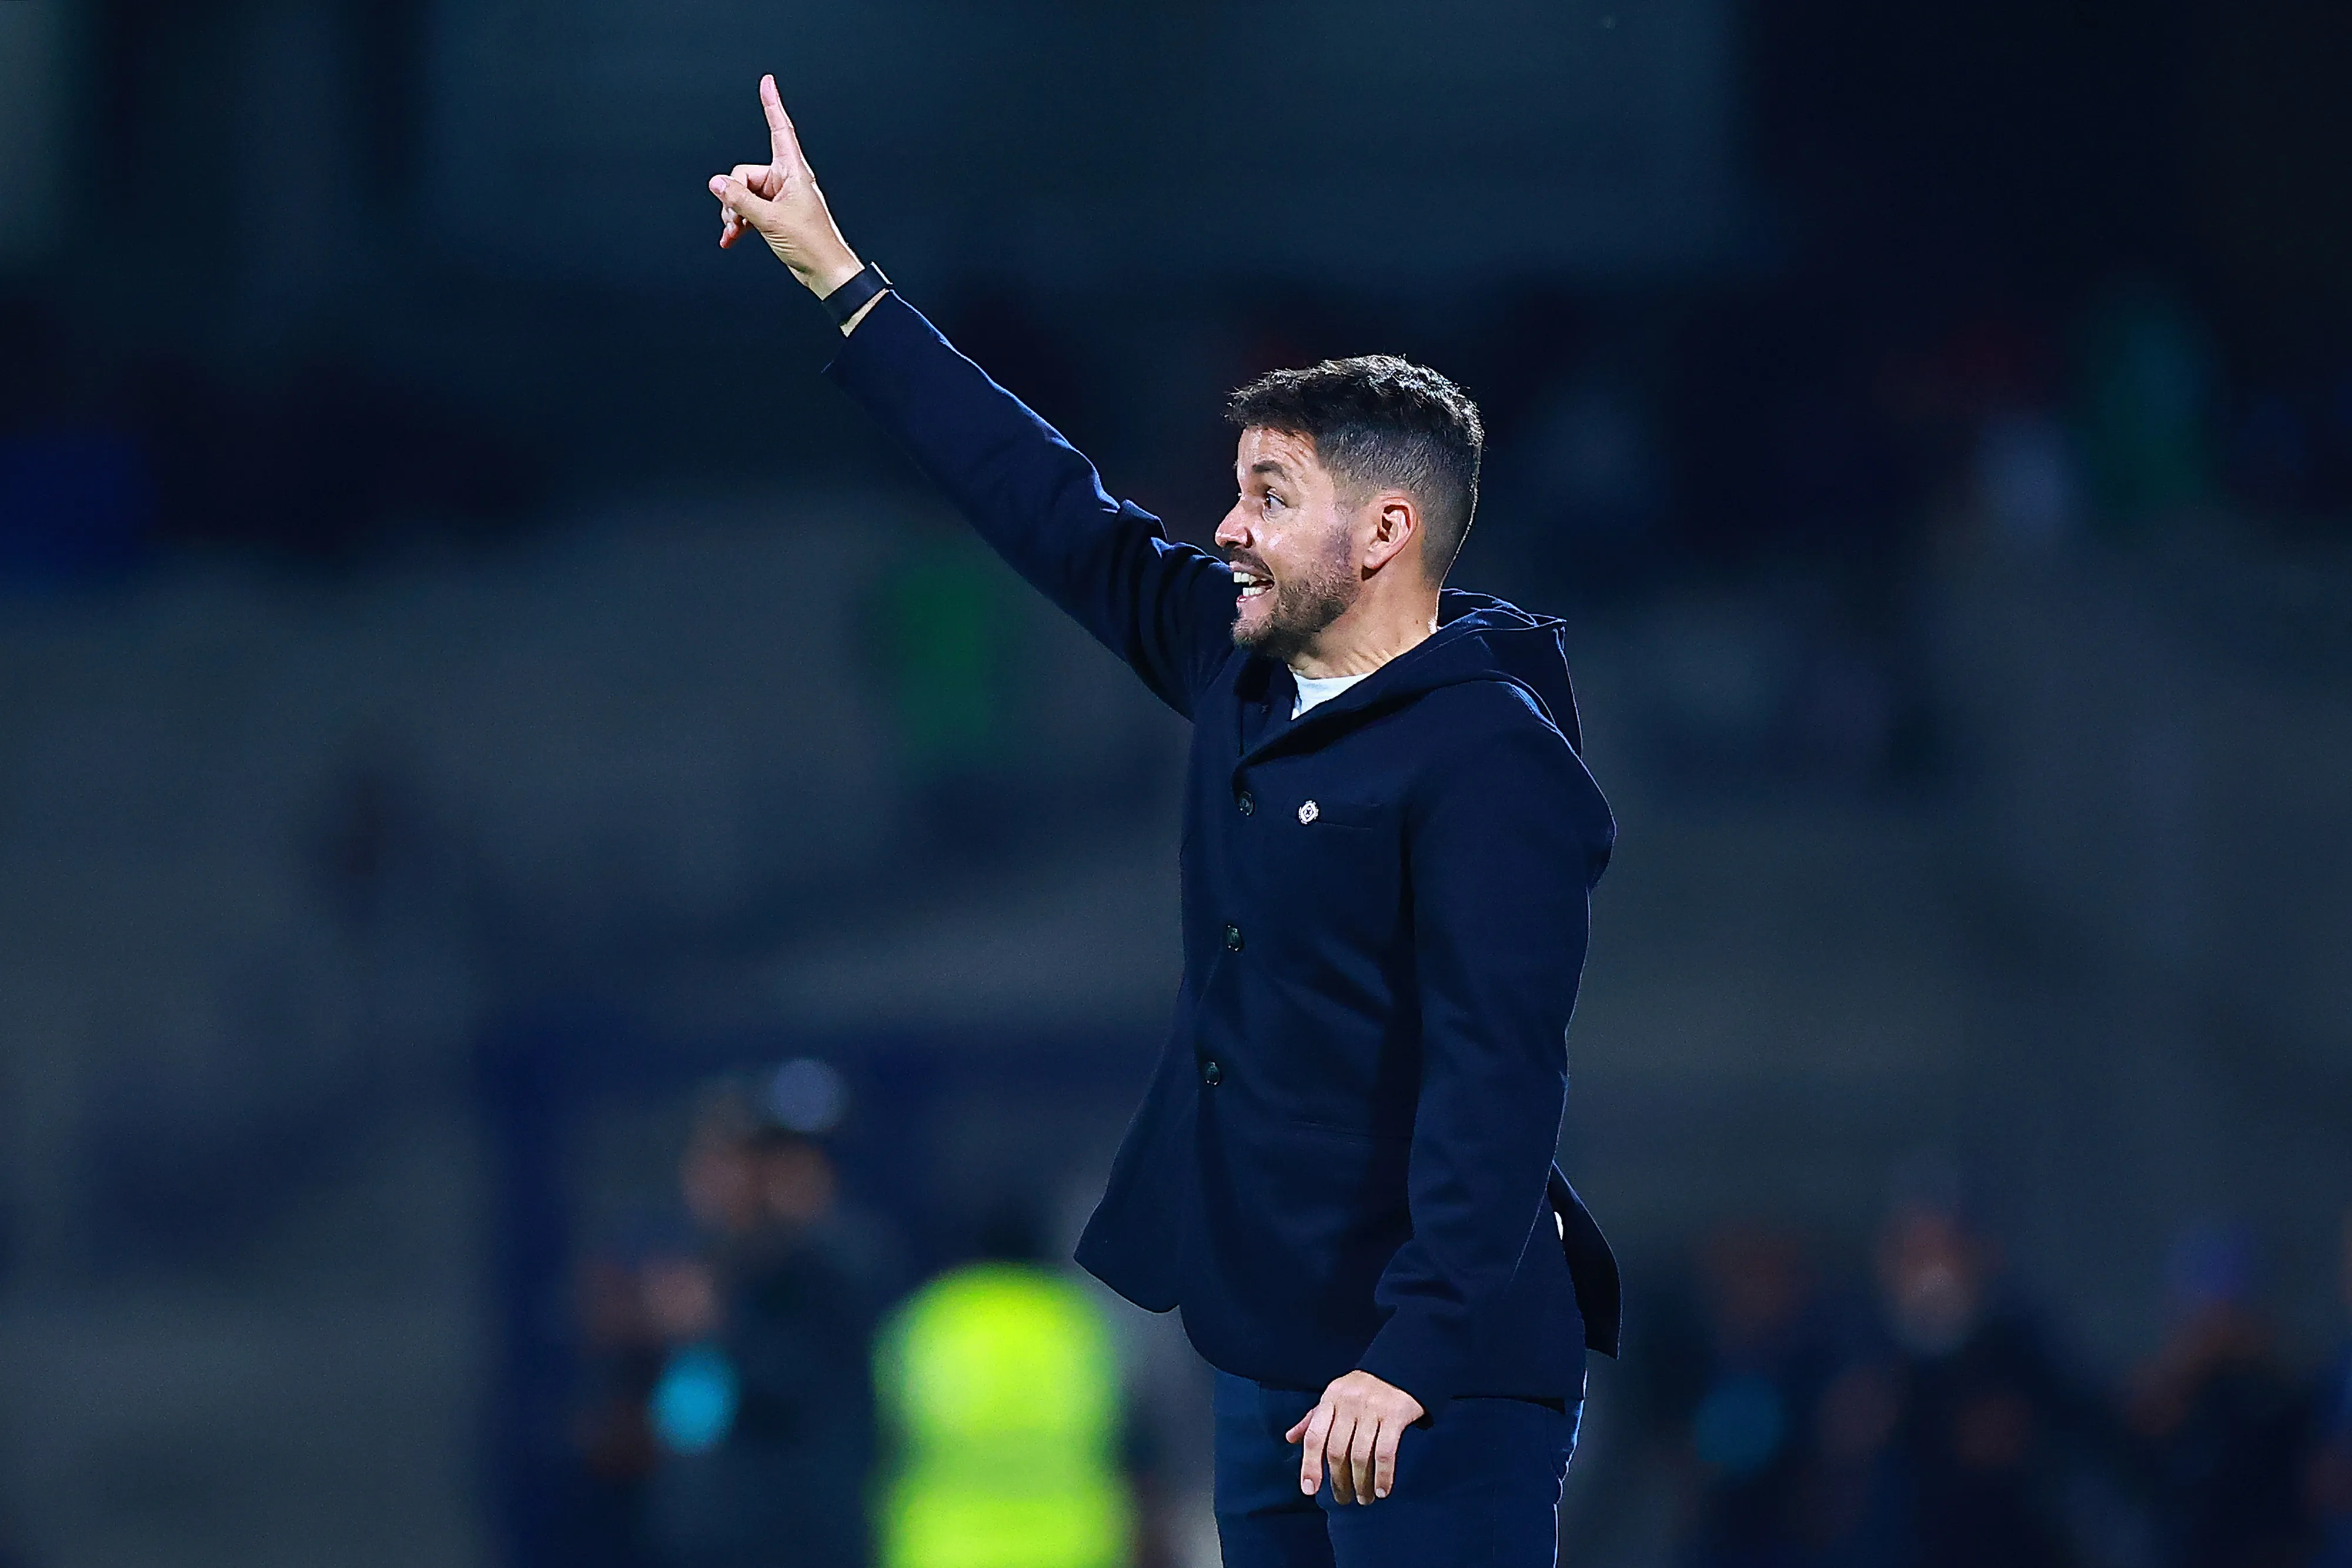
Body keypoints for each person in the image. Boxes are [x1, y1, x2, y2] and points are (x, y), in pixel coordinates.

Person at [705, 73, 1621, 1567]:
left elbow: (1493, 1077)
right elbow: (1052, 508)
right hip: (1268, 1352)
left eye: (1268, 493)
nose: (1228, 526)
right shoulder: (1236, 662)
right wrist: (840, 280)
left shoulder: (1489, 760)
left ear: (1384, 533)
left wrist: (1413, 1354)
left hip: (1425, 1377)